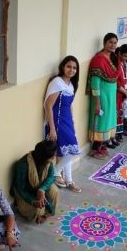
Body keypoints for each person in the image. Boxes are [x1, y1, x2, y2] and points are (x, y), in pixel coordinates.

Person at [44, 55, 81, 193]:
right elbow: (48, 106)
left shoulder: (71, 85)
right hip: (58, 121)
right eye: (68, 66)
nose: (71, 70)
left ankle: (69, 180)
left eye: (74, 68)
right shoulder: (57, 82)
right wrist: (52, 128)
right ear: (63, 67)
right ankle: (56, 172)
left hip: (67, 120)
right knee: (74, 150)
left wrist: (73, 122)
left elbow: (70, 105)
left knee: (68, 152)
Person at [87, 33, 120, 159]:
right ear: (104, 43)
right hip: (102, 97)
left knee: (108, 122)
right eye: (110, 42)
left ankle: (101, 146)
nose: (112, 45)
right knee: (100, 122)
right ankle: (94, 149)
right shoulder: (99, 59)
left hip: (111, 96)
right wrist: (97, 102)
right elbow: (95, 83)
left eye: (115, 43)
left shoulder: (113, 58)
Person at [10, 140, 59, 224]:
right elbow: (20, 189)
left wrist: (42, 189)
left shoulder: (48, 161)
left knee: (54, 191)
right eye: (52, 157)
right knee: (38, 210)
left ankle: (45, 214)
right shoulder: (23, 165)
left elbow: (51, 177)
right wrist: (33, 201)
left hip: (39, 187)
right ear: (44, 157)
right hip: (26, 193)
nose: (54, 157)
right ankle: (32, 211)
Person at [114, 44, 127, 144]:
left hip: (123, 94)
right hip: (118, 93)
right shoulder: (116, 64)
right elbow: (117, 81)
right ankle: (115, 135)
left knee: (121, 114)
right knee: (117, 114)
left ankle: (119, 134)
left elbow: (126, 79)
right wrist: (125, 91)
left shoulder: (124, 64)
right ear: (120, 53)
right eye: (125, 56)